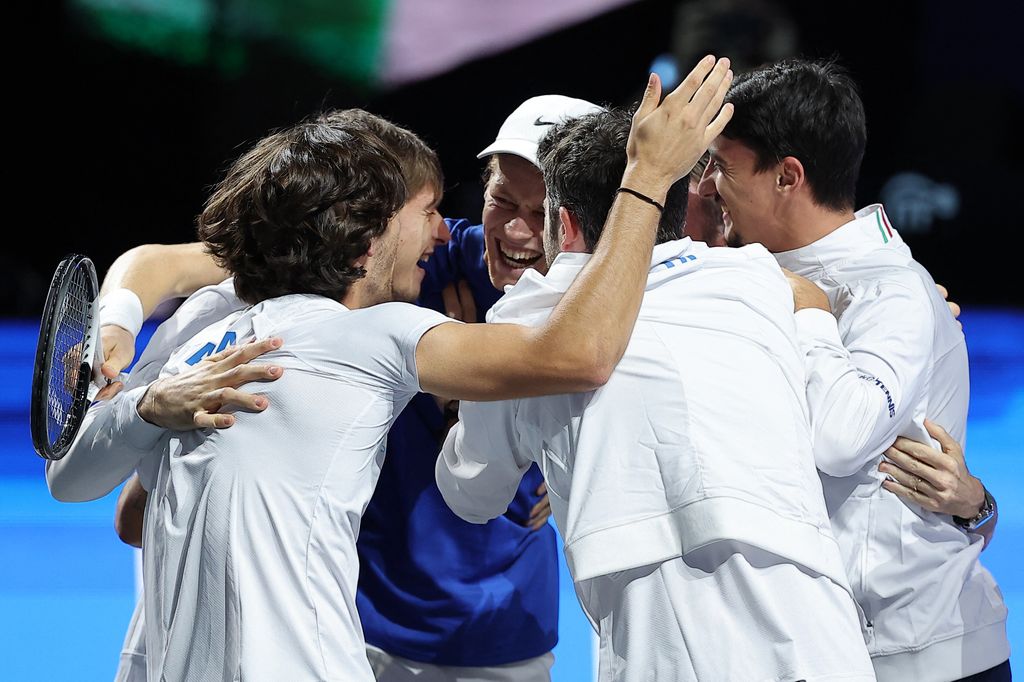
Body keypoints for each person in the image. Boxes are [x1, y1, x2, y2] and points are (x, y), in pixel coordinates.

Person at [48, 56, 735, 681]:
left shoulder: (383, 327)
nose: (447, 229)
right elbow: (76, 476)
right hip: (337, 634)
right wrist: (143, 401)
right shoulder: (230, 324)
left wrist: (573, 429)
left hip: (481, 635)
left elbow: (583, 354)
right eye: (433, 210)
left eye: (544, 210)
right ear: (361, 230)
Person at [436, 107, 875, 682]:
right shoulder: (758, 280)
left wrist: (464, 386)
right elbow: (810, 295)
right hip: (826, 636)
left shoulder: (525, 326)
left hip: (669, 643)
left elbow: (472, 494)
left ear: (563, 225)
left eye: (537, 213)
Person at [697, 57, 1009, 681]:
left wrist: (810, 317)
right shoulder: (759, 274)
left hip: (913, 654)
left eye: (723, 167)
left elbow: (840, 439)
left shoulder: (889, 289)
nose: (706, 186)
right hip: (812, 646)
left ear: (788, 176)